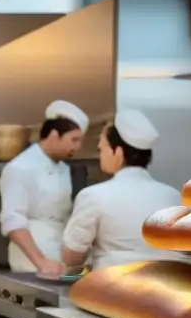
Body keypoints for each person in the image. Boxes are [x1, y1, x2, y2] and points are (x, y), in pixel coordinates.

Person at [61, 109, 180, 271]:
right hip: (165, 289)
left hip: (113, 290)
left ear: (118, 152)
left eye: (101, 149)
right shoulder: (174, 196)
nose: (100, 155)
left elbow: (71, 257)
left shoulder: (93, 196)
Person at [0, 100, 89, 275]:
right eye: (74, 140)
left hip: (59, 259)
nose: (77, 147)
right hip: (30, 263)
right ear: (54, 135)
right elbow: (13, 221)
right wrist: (41, 262)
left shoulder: (64, 168)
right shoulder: (20, 168)